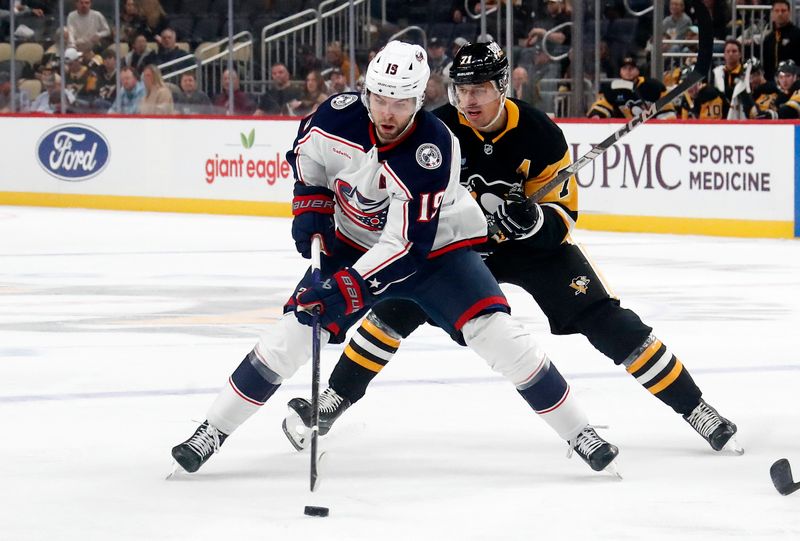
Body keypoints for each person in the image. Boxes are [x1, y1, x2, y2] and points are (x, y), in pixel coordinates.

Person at [171, 40, 620, 476]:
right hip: (350, 244)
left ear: (420, 99)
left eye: (401, 102)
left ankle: (580, 432)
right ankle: (211, 431)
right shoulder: (335, 116)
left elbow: (405, 247)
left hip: (436, 254)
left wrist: (345, 288)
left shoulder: (433, 148)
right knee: (292, 332)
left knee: (498, 334)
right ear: (366, 91)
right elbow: (309, 161)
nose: (388, 113)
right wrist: (310, 204)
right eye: (380, 98)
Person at [281, 40, 741, 458]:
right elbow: (410, 209)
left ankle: (695, 407)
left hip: (527, 250)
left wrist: (532, 221)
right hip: (457, 247)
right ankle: (333, 399)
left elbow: (563, 219)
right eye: (461, 90)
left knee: (603, 316)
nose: (469, 101)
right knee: (394, 308)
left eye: (480, 89)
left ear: (503, 85)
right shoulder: (434, 129)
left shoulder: (540, 133)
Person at [587, 56, 676, 119]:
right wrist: (596, 115)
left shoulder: (654, 86)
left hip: (650, 129)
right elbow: (601, 107)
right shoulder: (612, 88)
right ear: (620, 71)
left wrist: (665, 125)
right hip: (621, 131)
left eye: (631, 68)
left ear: (638, 70)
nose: (628, 71)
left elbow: (667, 110)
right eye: (625, 68)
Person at [711, 39, 752, 119]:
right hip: (721, 115)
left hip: (742, 115)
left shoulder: (747, 72)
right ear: (724, 54)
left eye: (734, 51)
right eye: (728, 51)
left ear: (740, 54)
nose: (730, 54)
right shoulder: (717, 72)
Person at [762, 0, 800, 81]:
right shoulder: (769, 38)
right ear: (772, 14)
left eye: (783, 10)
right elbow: (766, 65)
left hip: (794, 83)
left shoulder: (797, 34)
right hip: (772, 83)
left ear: (789, 13)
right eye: (777, 11)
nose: (780, 14)